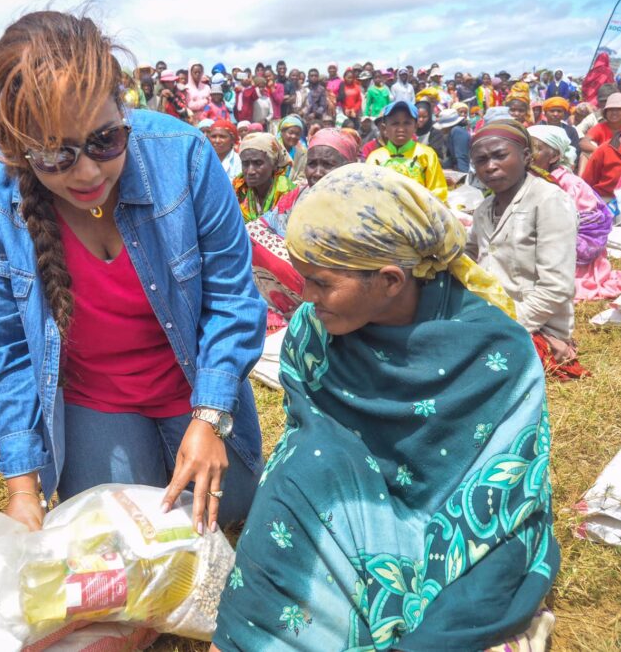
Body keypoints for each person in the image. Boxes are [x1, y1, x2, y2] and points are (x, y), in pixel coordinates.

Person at [214, 164, 560, 652]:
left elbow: (502, 492)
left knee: (471, 598)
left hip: (454, 521)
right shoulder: (312, 335)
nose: (305, 298)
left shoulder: (498, 351)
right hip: (351, 504)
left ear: (391, 280)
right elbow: (311, 447)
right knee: (301, 463)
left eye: (320, 282)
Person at [0, 11, 266, 533]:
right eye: (56, 153)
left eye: (105, 139)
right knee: (120, 534)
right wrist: (24, 490)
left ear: (123, 109)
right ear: (16, 147)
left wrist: (210, 415)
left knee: (224, 517)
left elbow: (233, 299)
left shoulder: (184, 156)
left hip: (195, 392)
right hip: (94, 402)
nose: (89, 172)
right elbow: (0, 345)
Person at [467, 121, 586, 379]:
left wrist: (505, 324)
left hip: (534, 326)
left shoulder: (549, 201)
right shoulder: (484, 208)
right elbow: (467, 256)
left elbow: (556, 287)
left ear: (526, 156)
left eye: (500, 155)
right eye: (481, 160)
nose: (490, 166)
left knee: (464, 359)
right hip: (489, 316)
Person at [529, 125, 621, 302]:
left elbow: (590, 228)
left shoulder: (571, 184)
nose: (530, 155)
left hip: (572, 255)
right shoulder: (528, 179)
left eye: (537, 149)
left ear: (554, 156)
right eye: (526, 149)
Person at [260, 128, 358, 237]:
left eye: (328, 164)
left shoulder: (360, 206)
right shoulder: (295, 197)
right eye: (312, 164)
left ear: (348, 167)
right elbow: (262, 233)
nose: (317, 173)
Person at [366, 101, 448, 202]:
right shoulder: (376, 158)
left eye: (407, 123)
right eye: (395, 123)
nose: (401, 128)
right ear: (384, 128)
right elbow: (368, 192)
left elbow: (438, 193)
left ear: (415, 126)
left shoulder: (426, 155)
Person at [235, 133, 295, 221]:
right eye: (245, 163)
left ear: (274, 164)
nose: (250, 171)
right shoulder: (239, 190)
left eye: (258, 163)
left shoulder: (289, 194)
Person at [580, 91, 621, 155]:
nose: (614, 113)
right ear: (606, 112)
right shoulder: (601, 127)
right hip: (603, 158)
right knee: (585, 153)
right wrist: (602, 152)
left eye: (618, 109)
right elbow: (583, 143)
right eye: (611, 109)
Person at [437, 107, 470, 172]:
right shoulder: (450, 134)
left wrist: (463, 176)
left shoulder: (457, 131)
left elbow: (462, 157)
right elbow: (451, 158)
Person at [279, 116, 308, 185]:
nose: (294, 136)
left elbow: (301, 177)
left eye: (297, 134)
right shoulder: (274, 150)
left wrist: (289, 187)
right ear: (282, 132)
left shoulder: (302, 154)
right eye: (290, 132)